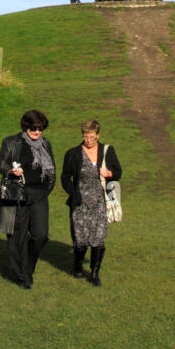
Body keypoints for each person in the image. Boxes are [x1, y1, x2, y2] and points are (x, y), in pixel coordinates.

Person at [0, 109, 56, 288]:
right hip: (18, 196)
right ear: (26, 127)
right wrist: (11, 171)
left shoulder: (46, 144)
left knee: (41, 235)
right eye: (33, 129)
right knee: (17, 238)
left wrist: (47, 189)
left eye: (40, 129)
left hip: (39, 195)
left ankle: (28, 265)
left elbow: (51, 169)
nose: (37, 132)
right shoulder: (12, 142)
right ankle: (22, 275)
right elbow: (1, 164)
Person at [61, 119, 121, 285]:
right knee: (80, 240)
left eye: (92, 137)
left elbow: (118, 172)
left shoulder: (108, 151)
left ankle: (94, 273)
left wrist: (108, 173)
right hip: (79, 203)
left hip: (101, 201)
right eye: (86, 137)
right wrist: (73, 194)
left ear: (98, 135)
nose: (88, 140)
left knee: (98, 239)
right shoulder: (72, 153)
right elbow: (65, 177)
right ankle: (77, 266)